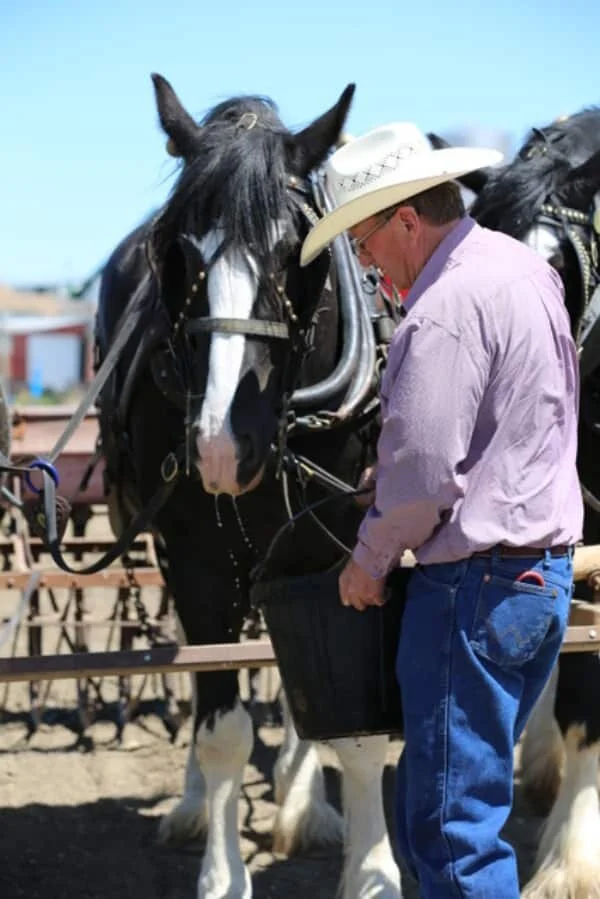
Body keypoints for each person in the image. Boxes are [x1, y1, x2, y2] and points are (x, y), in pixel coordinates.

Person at [300, 122, 583, 898]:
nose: (360, 260)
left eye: (360, 239)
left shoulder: (442, 307)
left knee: (453, 833)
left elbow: (426, 476)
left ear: (403, 220)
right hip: (536, 580)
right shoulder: (525, 271)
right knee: (452, 813)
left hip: (474, 591)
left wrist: (369, 558)